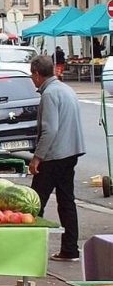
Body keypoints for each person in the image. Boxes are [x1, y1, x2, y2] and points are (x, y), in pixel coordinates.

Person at [28, 56, 84, 262]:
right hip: (71, 152)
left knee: (34, 202)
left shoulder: (50, 94)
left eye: (31, 75)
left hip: (54, 156)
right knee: (66, 200)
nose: (31, 79)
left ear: (36, 73)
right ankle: (70, 248)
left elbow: (49, 129)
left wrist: (37, 158)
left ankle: (30, 249)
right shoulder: (66, 89)